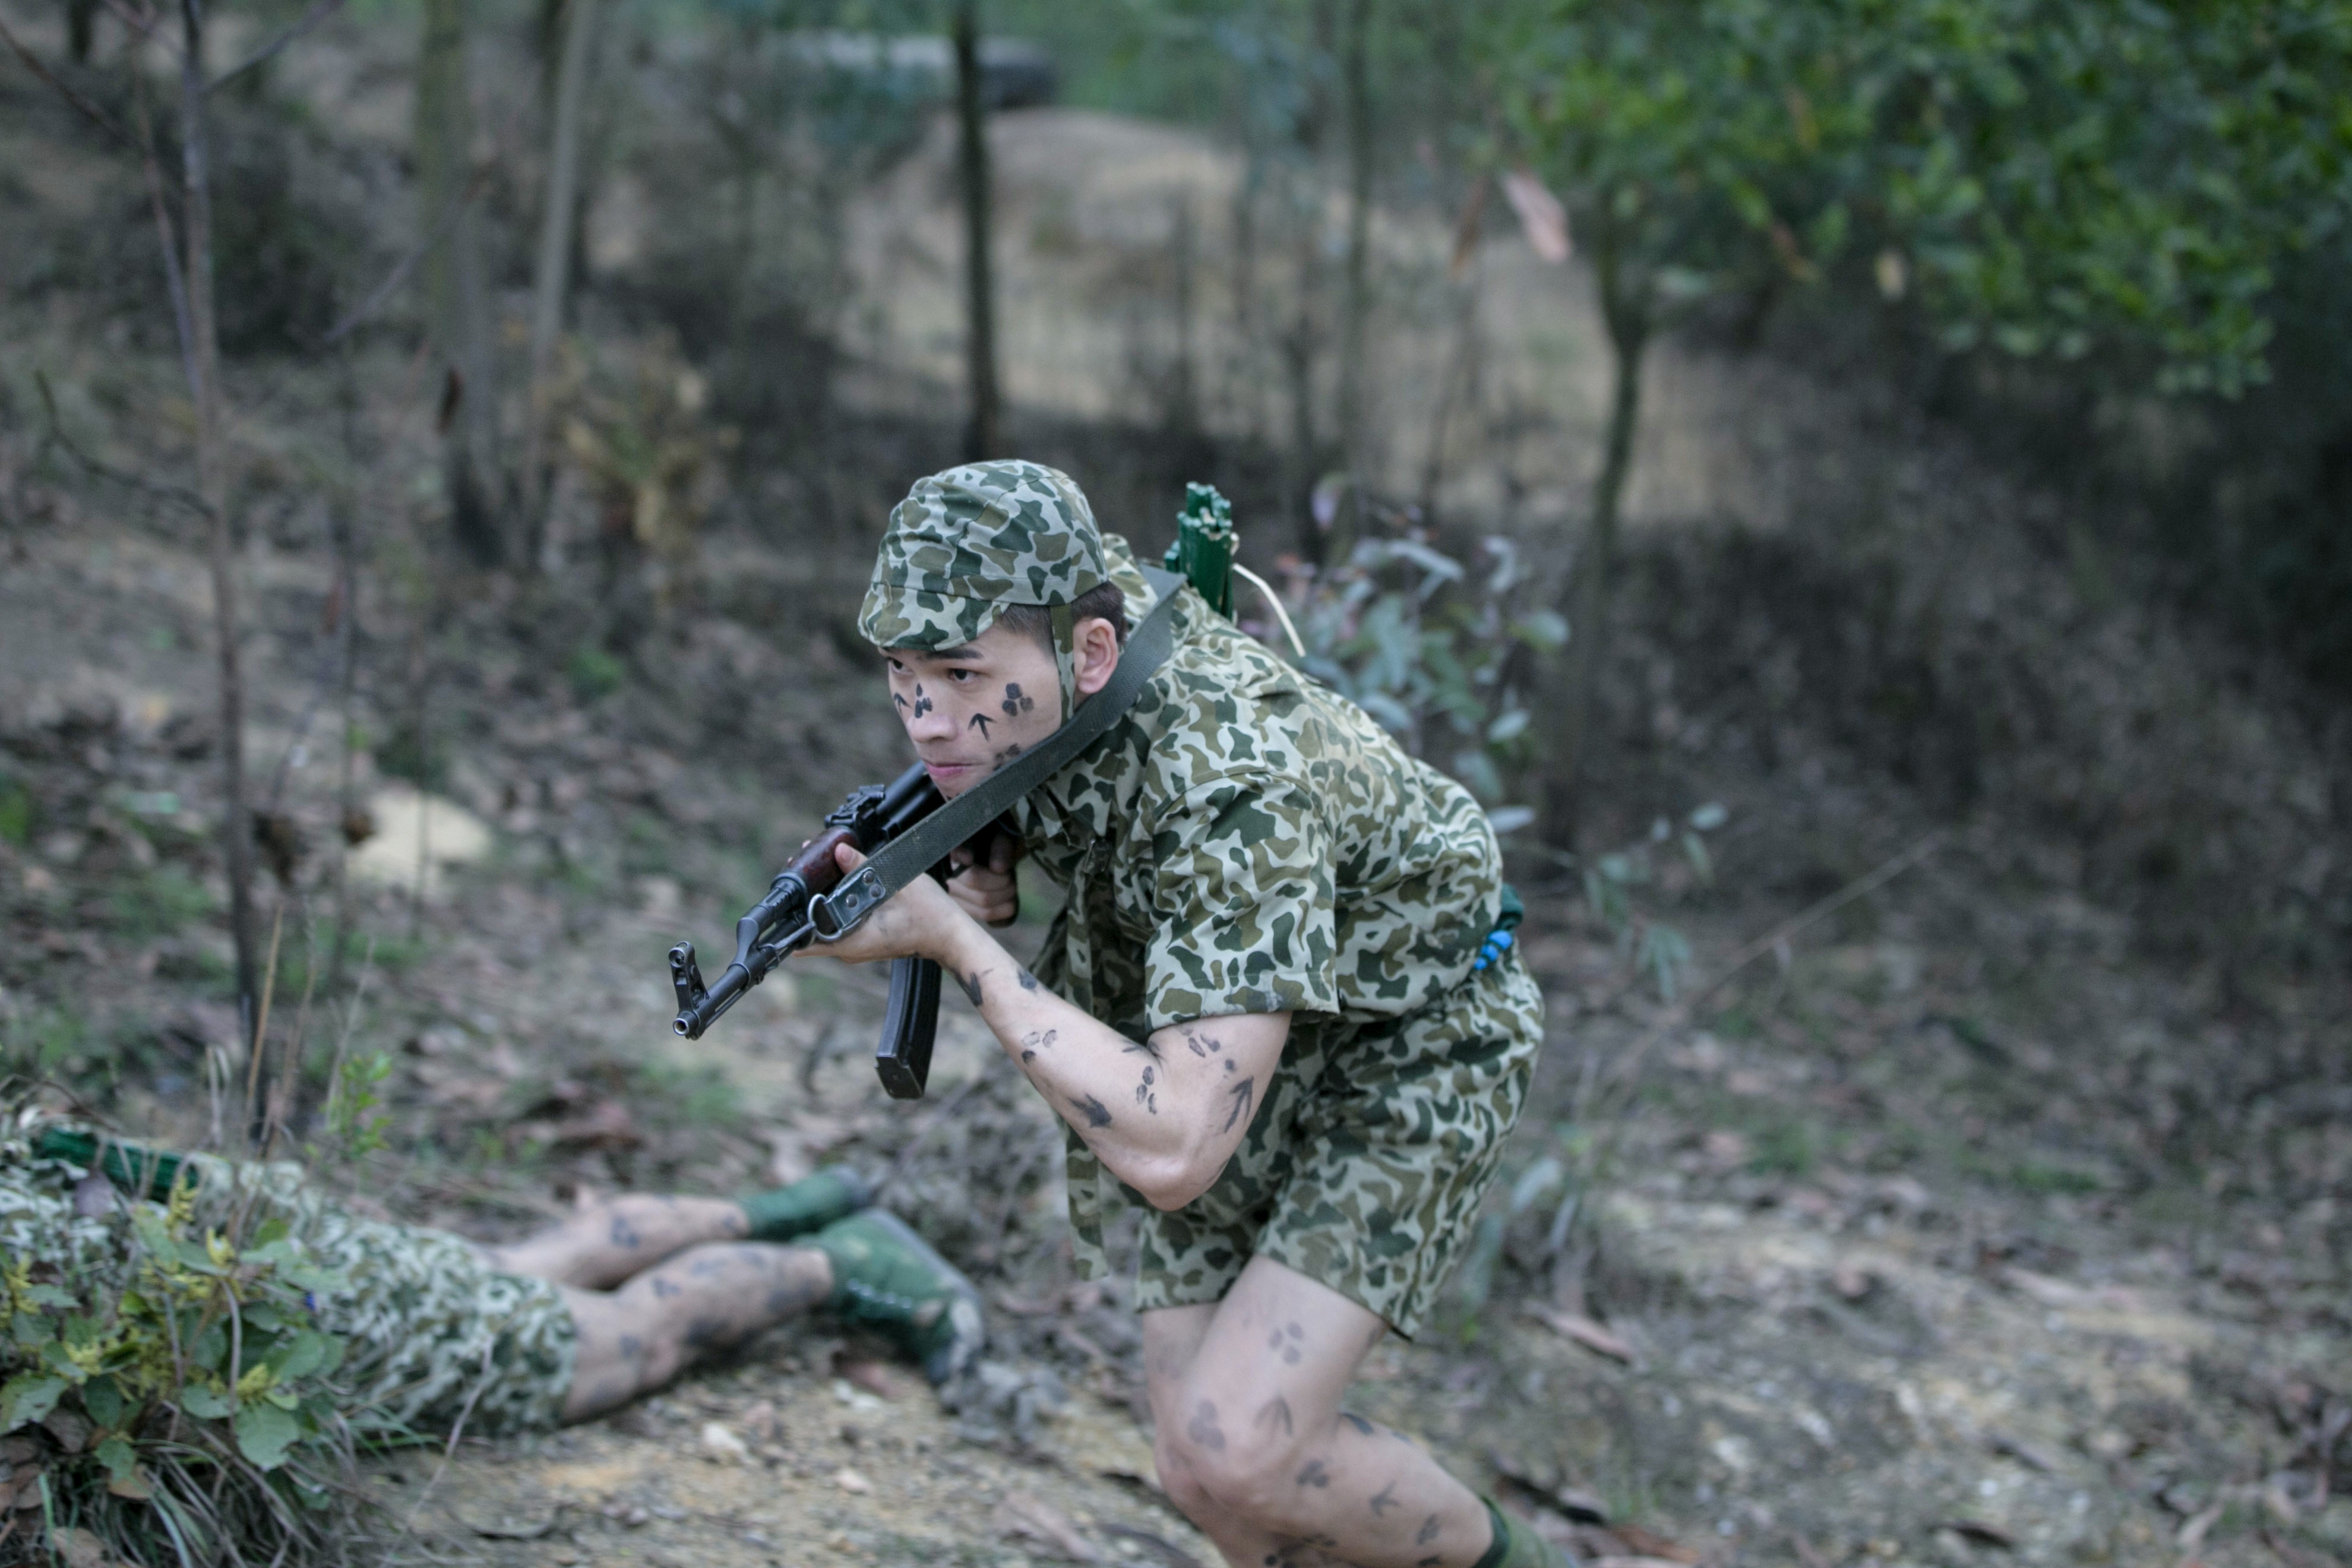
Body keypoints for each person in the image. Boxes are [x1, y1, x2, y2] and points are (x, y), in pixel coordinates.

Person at [817, 461, 1568, 1568]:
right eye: (901, 675)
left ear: (1088, 654)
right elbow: (1057, 752)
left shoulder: (1233, 789)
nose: (929, 722)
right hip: (1222, 1014)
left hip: (1412, 1036)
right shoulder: (1067, 619)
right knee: (1198, 1473)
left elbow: (1173, 1153)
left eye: (962, 673)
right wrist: (1000, 848)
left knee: (1238, 1448)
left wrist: (953, 938)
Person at [7, 1120, 982, 1434]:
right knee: (509, 1271)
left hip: (205, 1293)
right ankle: (790, 1209)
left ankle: (837, 1259)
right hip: (149, 1222)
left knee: (604, 1343)